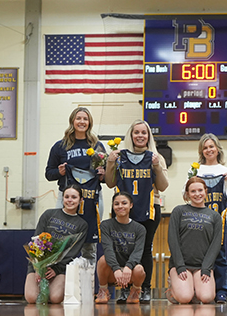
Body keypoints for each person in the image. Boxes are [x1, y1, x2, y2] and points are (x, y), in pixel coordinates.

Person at [105, 120, 170, 303]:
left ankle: (145, 288)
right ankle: (124, 289)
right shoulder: (119, 156)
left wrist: (156, 166)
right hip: (124, 209)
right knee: (123, 250)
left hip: (149, 208)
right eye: (136, 132)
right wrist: (110, 163)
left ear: (149, 136)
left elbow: (163, 186)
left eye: (144, 132)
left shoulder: (156, 157)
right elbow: (110, 183)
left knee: (145, 250)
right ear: (131, 135)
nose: (140, 135)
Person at [44, 107, 104, 260]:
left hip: (92, 198)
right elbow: (49, 174)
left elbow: (106, 176)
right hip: (67, 197)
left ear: (89, 122)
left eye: (85, 119)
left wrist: (104, 174)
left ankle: (88, 282)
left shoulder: (97, 146)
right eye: (79, 118)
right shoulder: (60, 146)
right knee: (60, 239)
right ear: (72, 121)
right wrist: (60, 172)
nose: (82, 122)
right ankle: (59, 278)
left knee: (89, 245)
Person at [24, 185, 88, 304]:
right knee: (31, 297)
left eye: (74, 197)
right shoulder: (49, 214)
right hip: (38, 266)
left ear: (80, 200)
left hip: (59, 269)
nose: (70, 200)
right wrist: (38, 267)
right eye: (67, 197)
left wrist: (57, 270)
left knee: (55, 298)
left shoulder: (82, 224)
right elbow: (35, 241)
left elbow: (72, 253)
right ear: (62, 198)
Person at [167, 177, 224, 304]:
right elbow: (173, 239)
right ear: (187, 194)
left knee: (207, 297)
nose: (197, 194)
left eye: (200, 190)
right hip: (182, 265)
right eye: (193, 191)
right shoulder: (179, 211)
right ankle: (173, 288)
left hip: (201, 266)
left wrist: (206, 268)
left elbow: (215, 245)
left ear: (205, 191)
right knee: (184, 298)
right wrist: (180, 266)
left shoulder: (215, 216)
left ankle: (193, 289)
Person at [196, 134, 227, 304]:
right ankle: (198, 290)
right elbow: (186, 195)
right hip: (197, 220)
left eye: (211, 146)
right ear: (201, 151)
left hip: (219, 220)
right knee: (198, 255)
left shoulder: (225, 171)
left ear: (218, 149)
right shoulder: (195, 170)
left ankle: (222, 291)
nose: (209, 150)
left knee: (220, 256)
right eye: (205, 147)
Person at [95, 193, 146, 304]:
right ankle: (103, 290)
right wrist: (116, 268)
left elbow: (138, 252)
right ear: (113, 206)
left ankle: (135, 291)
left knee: (139, 269)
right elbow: (108, 249)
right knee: (103, 260)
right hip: (112, 272)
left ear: (131, 205)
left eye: (124, 203)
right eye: (116, 204)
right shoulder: (105, 225)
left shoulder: (140, 229)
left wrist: (128, 267)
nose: (120, 206)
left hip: (130, 272)